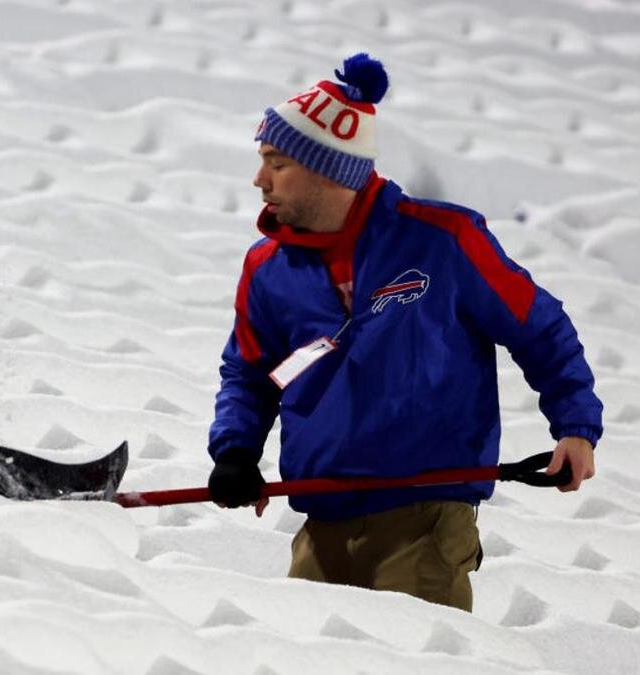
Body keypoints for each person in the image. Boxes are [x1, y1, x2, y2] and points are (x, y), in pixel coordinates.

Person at [206, 53, 604, 612]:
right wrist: (236, 451)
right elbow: (250, 374)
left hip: (425, 520)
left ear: (329, 167)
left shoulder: (444, 241)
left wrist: (576, 426)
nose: (258, 179)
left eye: (277, 161)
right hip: (322, 522)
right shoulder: (268, 268)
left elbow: (540, 328)